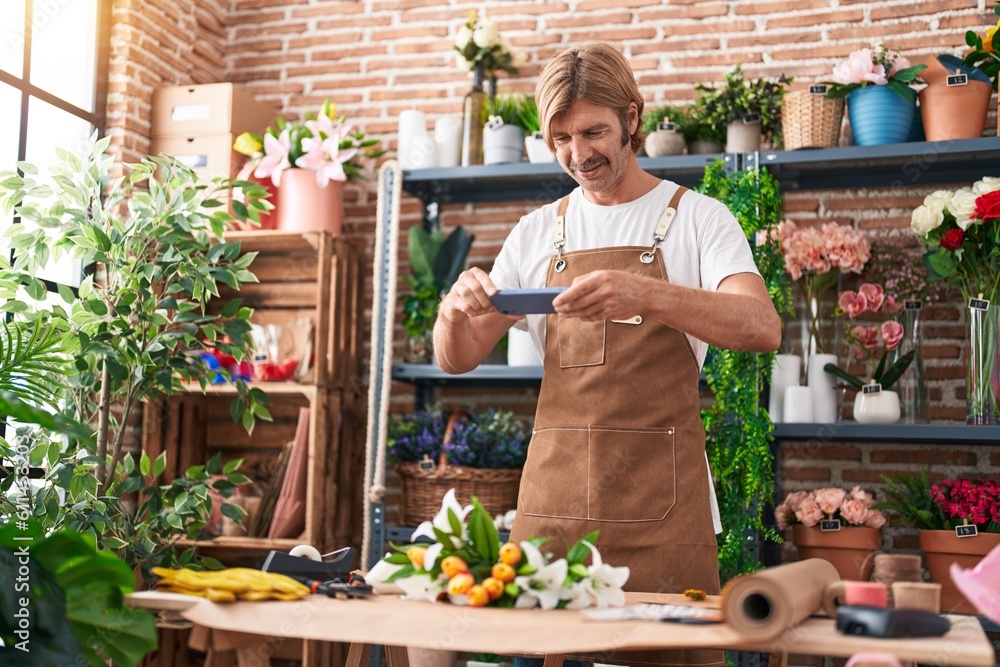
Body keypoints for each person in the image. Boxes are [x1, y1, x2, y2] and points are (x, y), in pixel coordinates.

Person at [433, 43, 781, 667]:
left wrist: (649, 293)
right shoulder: (539, 231)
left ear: (633, 117)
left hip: (663, 512)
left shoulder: (698, 219)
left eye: (593, 131)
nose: (578, 154)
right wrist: (453, 311)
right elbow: (458, 358)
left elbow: (761, 326)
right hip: (554, 508)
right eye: (559, 138)